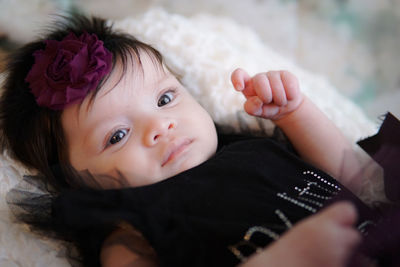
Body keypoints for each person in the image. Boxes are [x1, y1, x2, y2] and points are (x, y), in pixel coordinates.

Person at [0, 15, 374, 267]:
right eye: (117, 135)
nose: (160, 127)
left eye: (164, 100)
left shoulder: (255, 150)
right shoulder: (130, 232)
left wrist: (295, 113)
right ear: (74, 182)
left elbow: (363, 181)